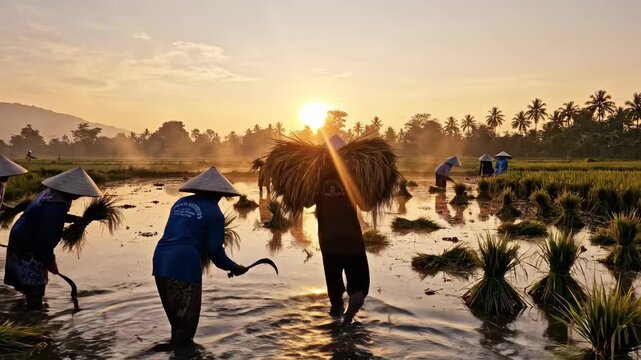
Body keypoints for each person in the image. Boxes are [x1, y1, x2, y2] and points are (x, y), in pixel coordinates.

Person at [152, 167, 248, 347]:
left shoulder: (180, 204)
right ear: (219, 193)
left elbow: (181, 233)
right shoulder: (214, 212)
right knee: (186, 327)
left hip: (160, 261)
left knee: (176, 324)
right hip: (185, 265)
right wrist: (233, 266)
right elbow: (214, 250)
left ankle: (175, 352)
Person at [4, 167, 101, 309]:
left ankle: (23, 315)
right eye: (78, 192)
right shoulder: (55, 205)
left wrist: (74, 219)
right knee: (35, 286)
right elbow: (44, 239)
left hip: (21, 237)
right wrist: (50, 262)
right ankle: (34, 318)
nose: (80, 195)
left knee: (29, 281)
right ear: (70, 190)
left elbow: (49, 218)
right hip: (28, 244)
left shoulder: (50, 195)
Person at [310, 135, 371, 325]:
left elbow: (303, 201)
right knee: (360, 287)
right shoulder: (352, 178)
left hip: (328, 241)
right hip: (351, 241)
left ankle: (337, 319)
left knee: (334, 288)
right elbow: (366, 206)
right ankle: (348, 320)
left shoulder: (316, 179)